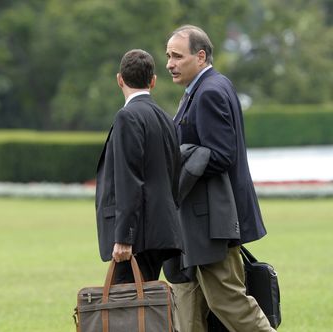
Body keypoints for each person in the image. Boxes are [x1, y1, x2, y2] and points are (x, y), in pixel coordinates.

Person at [163, 25, 277, 331]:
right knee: (194, 309)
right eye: (168, 56)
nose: (169, 63)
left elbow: (221, 155)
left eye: (177, 56)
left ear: (200, 57)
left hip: (214, 222)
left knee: (228, 302)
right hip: (204, 222)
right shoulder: (205, 87)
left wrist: (175, 165)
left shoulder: (210, 91)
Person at [95, 49, 182, 283]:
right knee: (142, 310)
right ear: (152, 81)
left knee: (125, 312)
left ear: (119, 79)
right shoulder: (166, 118)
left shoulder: (128, 116)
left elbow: (128, 180)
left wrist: (124, 237)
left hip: (138, 238)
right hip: (160, 233)